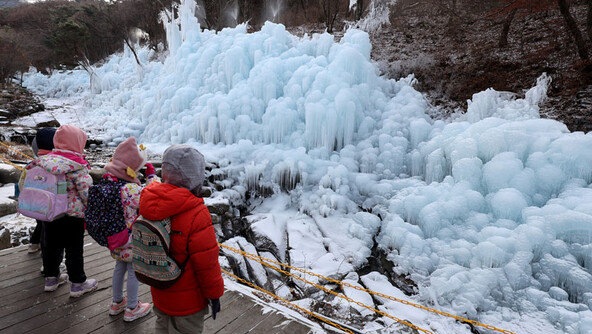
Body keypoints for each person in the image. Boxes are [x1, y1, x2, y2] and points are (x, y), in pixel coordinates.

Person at [139, 145, 223, 334]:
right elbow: (206, 263)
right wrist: (214, 294)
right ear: (195, 177)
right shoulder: (196, 212)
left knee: (162, 325)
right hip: (188, 301)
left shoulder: (149, 198)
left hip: (160, 287)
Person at [25, 125, 97, 295]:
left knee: (51, 246)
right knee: (74, 250)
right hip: (73, 216)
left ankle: (51, 279)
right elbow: (86, 193)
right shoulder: (77, 166)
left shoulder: (44, 161)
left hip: (50, 213)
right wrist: (92, 210)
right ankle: (78, 283)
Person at [93, 137, 156, 321]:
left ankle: (117, 302)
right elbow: (151, 197)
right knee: (134, 270)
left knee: (119, 267)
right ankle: (132, 307)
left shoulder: (107, 181)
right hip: (130, 238)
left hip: (114, 236)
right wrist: (151, 176)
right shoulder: (130, 190)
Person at [25, 128, 57, 254]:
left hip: (36, 198)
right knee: (47, 228)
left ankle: (34, 243)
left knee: (41, 222)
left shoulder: (34, 164)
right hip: (49, 200)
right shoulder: (54, 163)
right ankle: (48, 264)